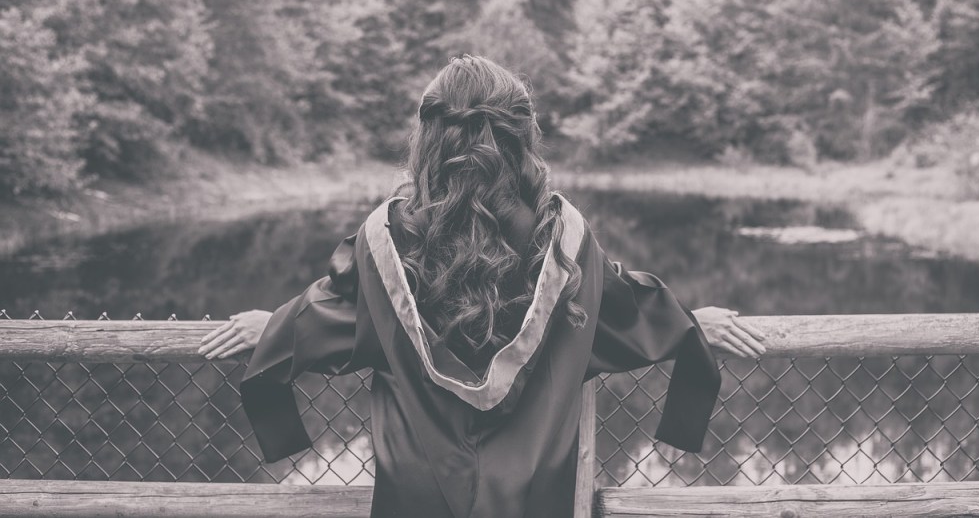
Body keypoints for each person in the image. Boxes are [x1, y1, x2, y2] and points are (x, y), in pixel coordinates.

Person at [199, 55, 766, 518]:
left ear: (428, 136)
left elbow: (343, 314)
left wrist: (277, 327)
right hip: (535, 489)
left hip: (416, 488)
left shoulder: (388, 237)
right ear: (522, 136)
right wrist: (688, 323)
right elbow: (617, 309)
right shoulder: (560, 238)